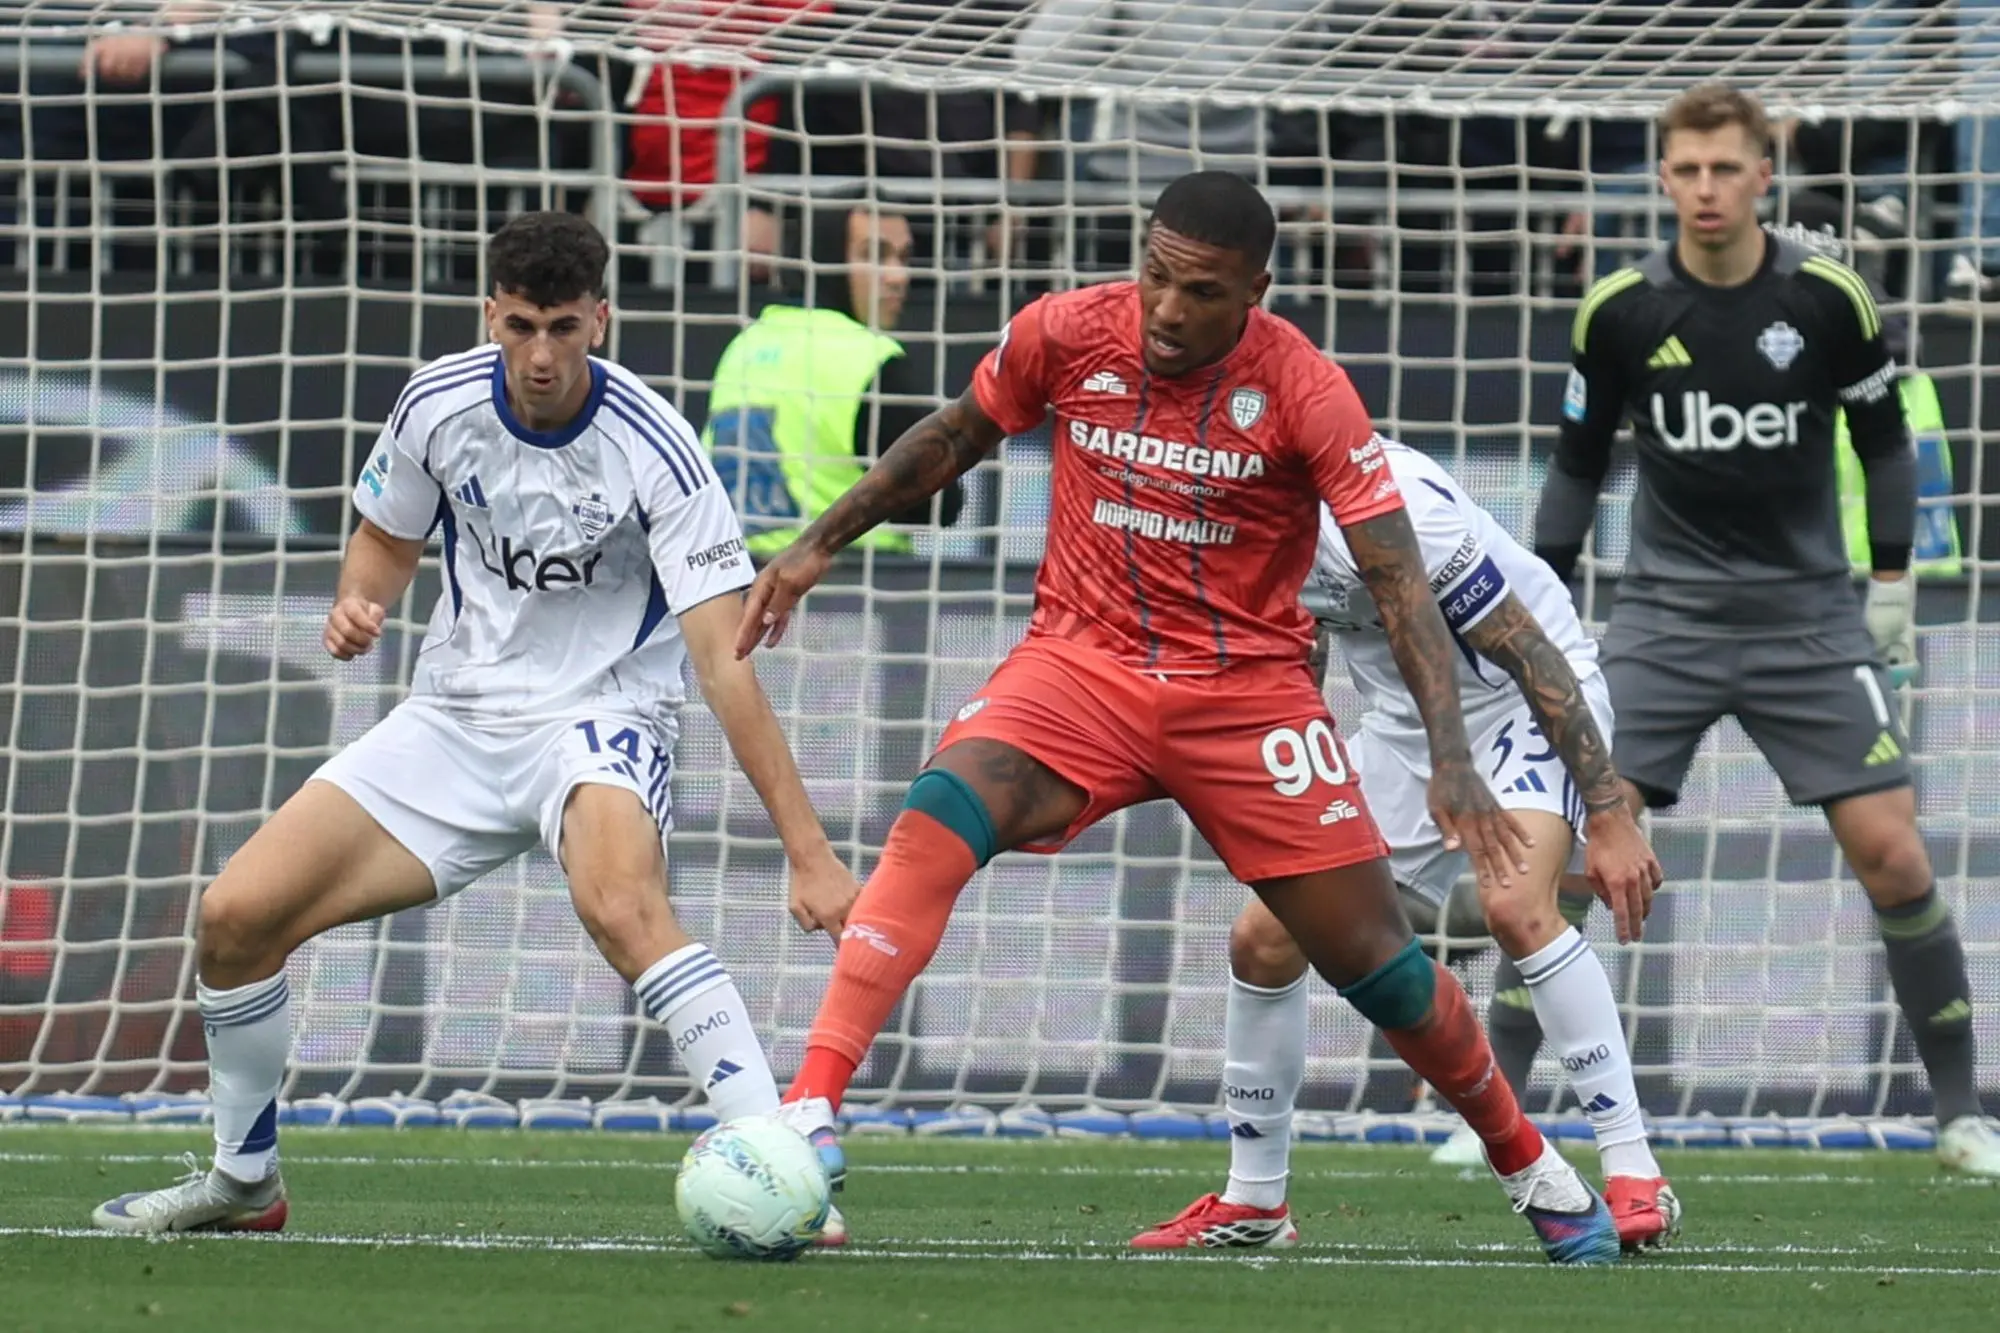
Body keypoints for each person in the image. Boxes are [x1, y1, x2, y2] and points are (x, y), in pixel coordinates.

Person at [739, 171, 1663, 1265]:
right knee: (946, 803)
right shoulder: (1067, 332)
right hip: (1081, 660)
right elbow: (954, 434)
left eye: (1201, 292)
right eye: (1155, 277)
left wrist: (1455, 761)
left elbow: (1403, 587)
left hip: (1243, 695)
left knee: (1373, 959)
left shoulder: (1306, 393)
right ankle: (809, 1106)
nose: (1167, 310)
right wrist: (814, 545)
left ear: (1254, 292)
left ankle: (1536, 1167)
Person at [90, 212, 862, 1234]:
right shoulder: (437, 405)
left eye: (562, 330)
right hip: (453, 719)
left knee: (623, 907)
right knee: (235, 918)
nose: (540, 356)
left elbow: (723, 657)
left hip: (601, 714)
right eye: (519, 328)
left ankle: (778, 1164)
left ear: (601, 320)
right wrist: (357, 602)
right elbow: (383, 539)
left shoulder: (659, 451)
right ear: (488, 314)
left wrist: (807, 851)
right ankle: (244, 1182)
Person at [1535, 84, 2000, 1176]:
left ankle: (1957, 1114)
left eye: (1723, 169)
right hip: (1663, 616)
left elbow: (1883, 442)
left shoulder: (1828, 296)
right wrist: (1543, 608)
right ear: (1661, 178)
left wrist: (1887, 581)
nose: (1704, 188)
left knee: (1891, 853)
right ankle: (1499, 1106)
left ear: (1761, 175)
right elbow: (1574, 469)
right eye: (1685, 170)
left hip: (1806, 615)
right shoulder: (1616, 311)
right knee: (1562, 862)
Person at [1130, 439, 1677, 1254]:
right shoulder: (1229, 519)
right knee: (1265, 935)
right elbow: (1297, 651)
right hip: (1400, 728)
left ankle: (1636, 1172)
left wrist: (1608, 811)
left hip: (1518, 705)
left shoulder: (1397, 503)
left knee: (1516, 905)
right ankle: (1255, 1202)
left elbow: (1529, 650)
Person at [702, 201, 963, 554]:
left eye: (903, 258)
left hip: (741, 585)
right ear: (828, 259)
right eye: (875, 255)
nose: (898, 277)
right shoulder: (866, 356)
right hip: (854, 587)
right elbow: (939, 504)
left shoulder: (743, 346)